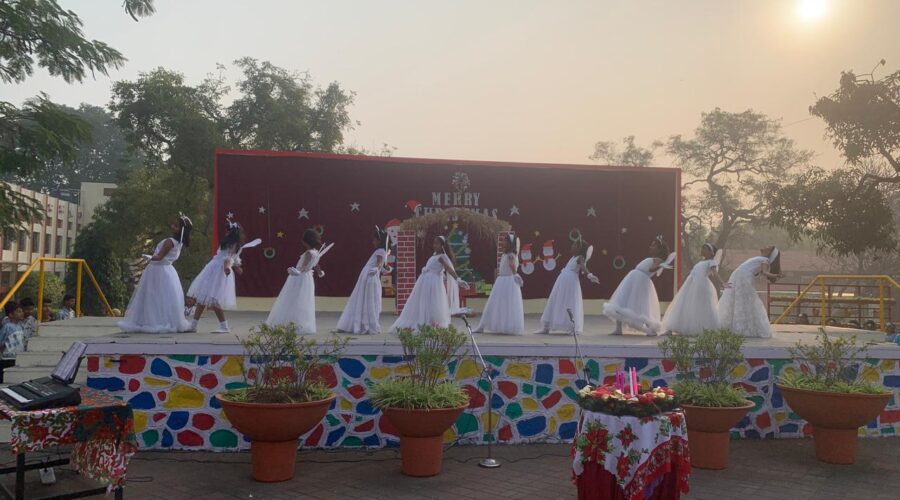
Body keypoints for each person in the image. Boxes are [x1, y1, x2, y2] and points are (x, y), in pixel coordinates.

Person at [118, 214, 194, 333]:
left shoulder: (170, 241)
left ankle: (152, 321)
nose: (172, 226)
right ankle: (162, 320)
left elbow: (159, 257)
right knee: (163, 297)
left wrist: (146, 256)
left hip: (157, 270)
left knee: (152, 296)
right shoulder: (179, 243)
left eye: (176, 226)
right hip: (168, 271)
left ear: (181, 230)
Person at [391, 236, 468, 332]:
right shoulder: (434, 255)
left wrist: (458, 279)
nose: (434, 245)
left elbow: (449, 269)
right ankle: (421, 323)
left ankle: (432, 324)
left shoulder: (442, 257)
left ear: (442, 245)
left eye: (437, 243)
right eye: (434, 243)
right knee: (423, 302)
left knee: (432, 303)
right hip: (425, 282)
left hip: (433, 283)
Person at [187, 219, 245, 333]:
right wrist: (234, 266)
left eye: (227, 230)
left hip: (218, 271)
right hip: (213, 269)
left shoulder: (233, 244)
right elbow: (230, 258)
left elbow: (228, 259)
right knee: (203, 298)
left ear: (232, 232)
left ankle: (224, 326)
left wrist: (228, 267)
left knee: (212, 299)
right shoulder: (229, 243)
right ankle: (194, 325)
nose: (226, 232)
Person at [605, 236, 669, 336]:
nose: (650, 247)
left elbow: (651, 269)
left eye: (653, 245)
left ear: (659, 249)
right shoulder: (652, 258)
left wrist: (660, 266)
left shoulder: (658, 260)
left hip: (640, 282)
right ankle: (618, 328)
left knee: (643, 305)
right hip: (633, 278)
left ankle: (650, 329)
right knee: (622, 301)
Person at [266, 229, 325, 333]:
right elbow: (316, 265)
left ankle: (290, 323)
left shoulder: (308, 253)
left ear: (304, 241)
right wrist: (320, 272)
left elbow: (304, 266)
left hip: (300, 279)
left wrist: (297, 271)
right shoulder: (316, 253)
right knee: (303, 301)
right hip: (308, 279)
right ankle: (301, 323)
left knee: (293, 299)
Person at [537, 239, 599, 334]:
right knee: (555, 300)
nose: (572, 246)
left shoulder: (580, 257)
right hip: (562, 283)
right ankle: (546, 326)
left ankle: (573, 327)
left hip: (570, 284)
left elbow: (583, 267)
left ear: (579, 248)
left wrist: (589, 275)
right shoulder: (573, 257)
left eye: (574, 245)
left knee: (570, 302)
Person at [718, 246, 781, 339]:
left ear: (770, 254)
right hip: (739, 275)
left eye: (768, 248)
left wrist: (775, 275)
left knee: (742, 300)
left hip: (741, 276)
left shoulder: (765, 260)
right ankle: (738, 325)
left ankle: (741, 326)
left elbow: (764, 272)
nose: (765, 247)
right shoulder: (761, 259)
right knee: (741, 300)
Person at [336, 227, 391, 335]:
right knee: (368, 299)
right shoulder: (381, 251)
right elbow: (380, 265)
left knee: (367, 299)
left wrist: (378, 269)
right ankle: (366, 323)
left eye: (374, 239)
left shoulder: (380, 251)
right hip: (369, 275)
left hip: (370, 276)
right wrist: (380, 268)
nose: (373, 241)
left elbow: (378, 264)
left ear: (379, 240)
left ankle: (364, 323)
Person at [661, 243, 724, 336]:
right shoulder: (700, 262)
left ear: (711, 253)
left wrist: (722, 282)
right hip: (690, 285)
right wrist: (683, 282)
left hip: (701, 286)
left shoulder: (711, 262)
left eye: (705, 248)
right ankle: (671, 329)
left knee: (699, 306)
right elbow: (691, 272)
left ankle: (699, 329)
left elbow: (715, 273)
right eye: (702, 248)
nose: (702, 250)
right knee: (682, 304)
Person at [474, 233, 525, 335]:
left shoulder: (510, 255)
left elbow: (512, 265)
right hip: (503, 281)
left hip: (507, 282)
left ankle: (498, 326)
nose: (503, 242)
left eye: (505, 240)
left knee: (503, 304)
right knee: (498, 304)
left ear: (510, 243)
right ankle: (483, 326)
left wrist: (515, 274)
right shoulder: (506, 254)